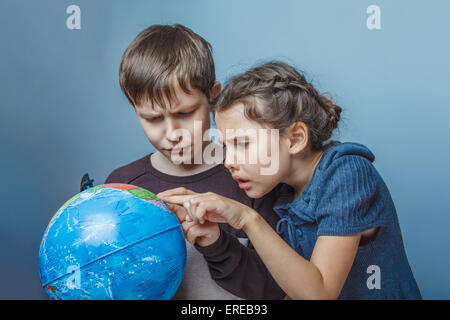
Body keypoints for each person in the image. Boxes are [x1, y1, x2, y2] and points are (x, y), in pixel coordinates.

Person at [158, 61, 422, 299]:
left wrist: (247, 218)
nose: (228, 161)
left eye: (243, 144)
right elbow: (292, 289)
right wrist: (216, 239)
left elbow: (319, 294)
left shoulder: (348, 172)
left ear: (295, 139)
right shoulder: (283, 192)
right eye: (227, 146)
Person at [105, 24, 285, 299]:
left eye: (186, 113)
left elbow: (275, 291)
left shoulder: (255, 176)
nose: (172, 133)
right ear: (134, 107)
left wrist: (217, 243)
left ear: (213, 95)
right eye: (153, 119)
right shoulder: (123, 187)